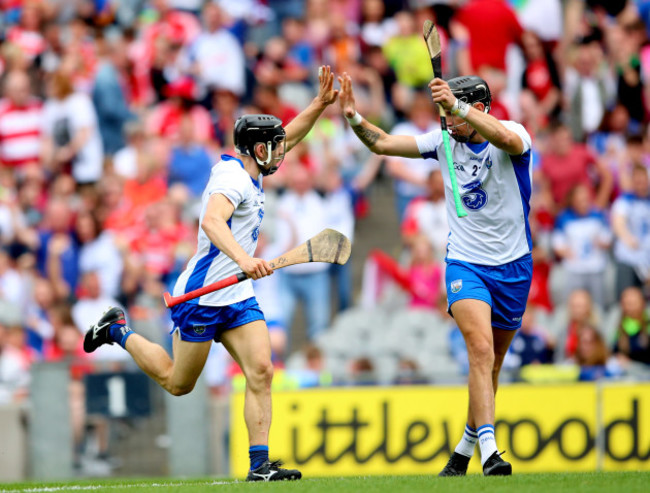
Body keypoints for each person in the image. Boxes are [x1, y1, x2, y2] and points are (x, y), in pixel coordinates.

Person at [83, 66, 339, 482]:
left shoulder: (254, 168)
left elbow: (291, 134)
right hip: (202, 296)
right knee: (177, 382)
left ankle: (259, 466)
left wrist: (319, 104)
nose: (281, 152)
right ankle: (118, 331)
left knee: (261, 370)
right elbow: (212, 223)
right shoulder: (230, 178)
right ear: (256, 149)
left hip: (236, 297)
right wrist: (244, 260)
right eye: (273, 147)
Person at [338, 71, 533, 476]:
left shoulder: (510, 133)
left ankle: (463, 449)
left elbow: (505, 139)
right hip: (465, 262)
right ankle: (490, 452)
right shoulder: (445, 142)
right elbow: (385, 144)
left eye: (453, 115)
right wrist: (356, 119)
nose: (447, 123)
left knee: (493, 364)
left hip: (514, 264)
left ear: (478, 108)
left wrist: (456, 106)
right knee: (479, 350)